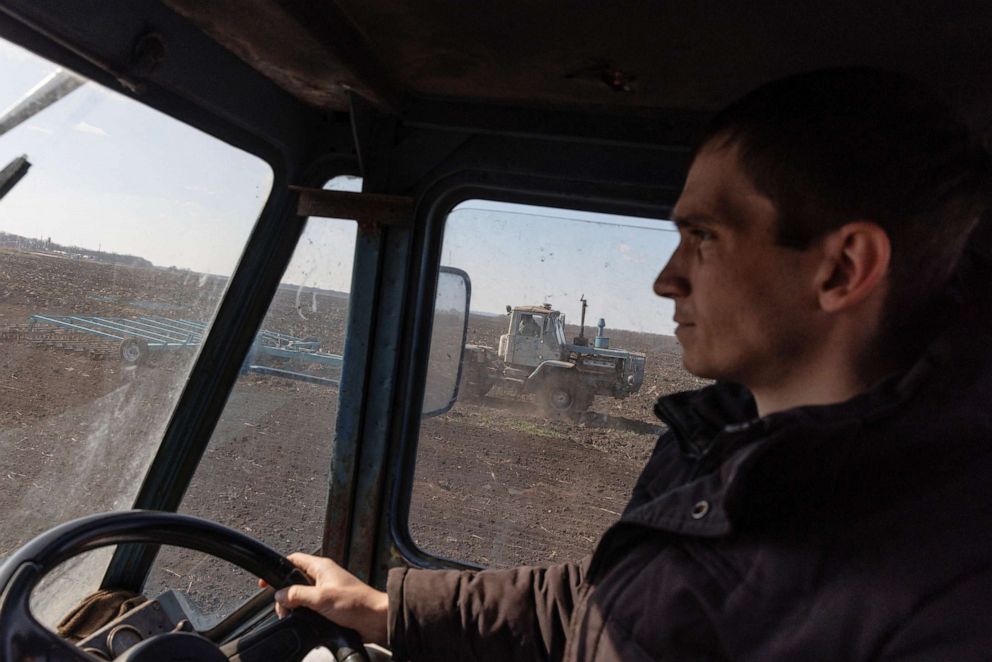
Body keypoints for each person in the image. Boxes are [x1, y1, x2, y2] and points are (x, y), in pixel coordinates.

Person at [264, 69, 992, 660]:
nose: (664, 280)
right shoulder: (723, 451)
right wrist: (391, 612)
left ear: (842, 269)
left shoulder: (944, 602)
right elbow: (612, 604)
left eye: (703, 237)